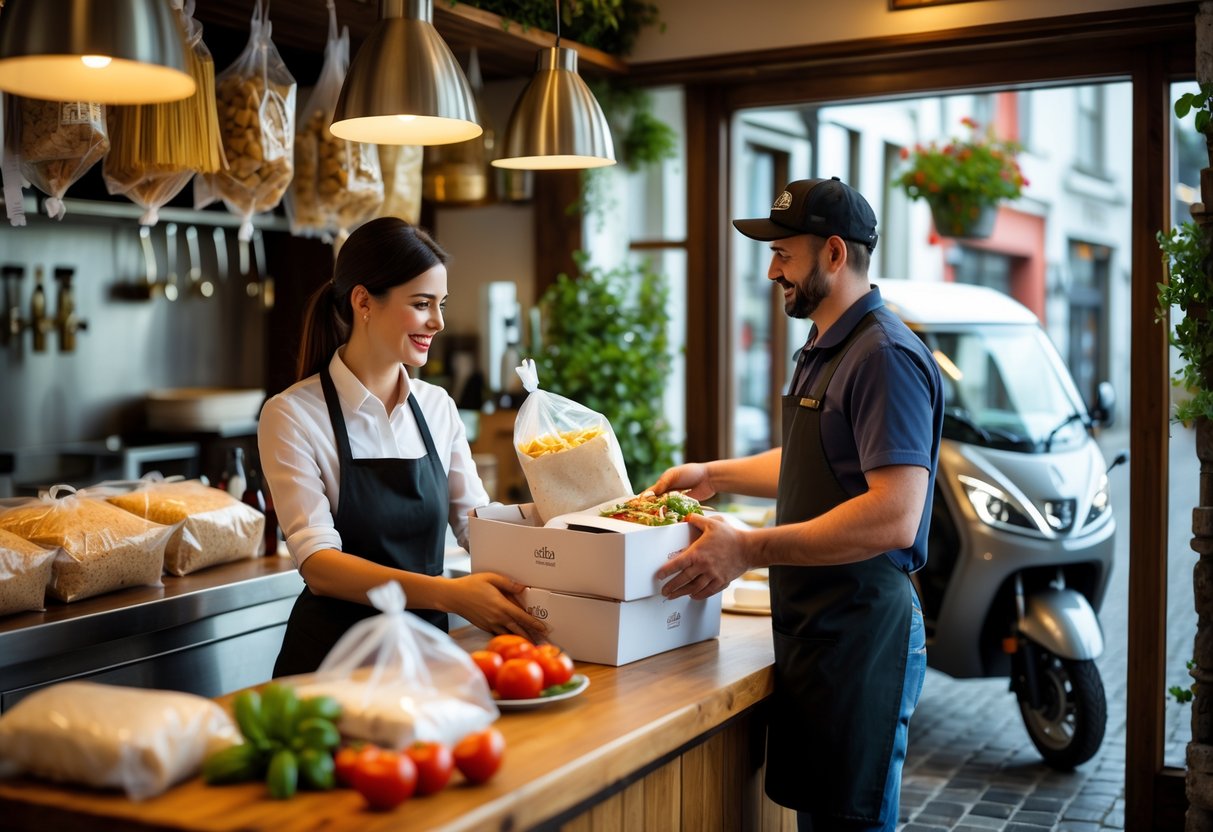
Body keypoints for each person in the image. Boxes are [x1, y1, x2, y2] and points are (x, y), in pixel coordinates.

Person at [652, 178, 944, 831]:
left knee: (848, 822)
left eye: (783, 253)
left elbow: (893, 512)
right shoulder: (826, 344)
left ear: (834, 254)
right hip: (821, 629)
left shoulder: (884, 356)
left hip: (861, 630)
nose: (770, 269)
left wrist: (748, 548)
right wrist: (713, 473)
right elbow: (818, 462)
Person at [259, 216, 547, 677]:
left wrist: (562, 513)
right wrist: (449, 594)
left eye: (441, 304)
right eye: (421, 304)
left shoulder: (437, 406)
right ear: (363, 302)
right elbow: (319, 566)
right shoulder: (292, 414)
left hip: (422, 659)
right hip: (333, 665)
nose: (439, 321)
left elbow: (476, 525)